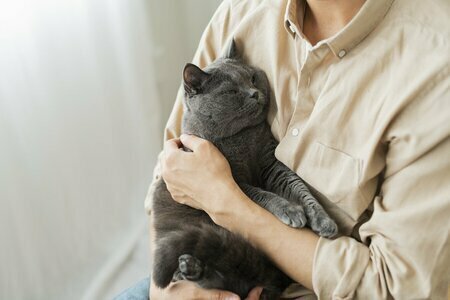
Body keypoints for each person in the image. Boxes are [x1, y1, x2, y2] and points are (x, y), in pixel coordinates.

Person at [116, 0, 450, 299]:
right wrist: (167, 293)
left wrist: (228, 203)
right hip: (190, 273)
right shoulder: (239, 13)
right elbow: (169, 171)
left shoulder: (435, 67)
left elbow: (396, 288)